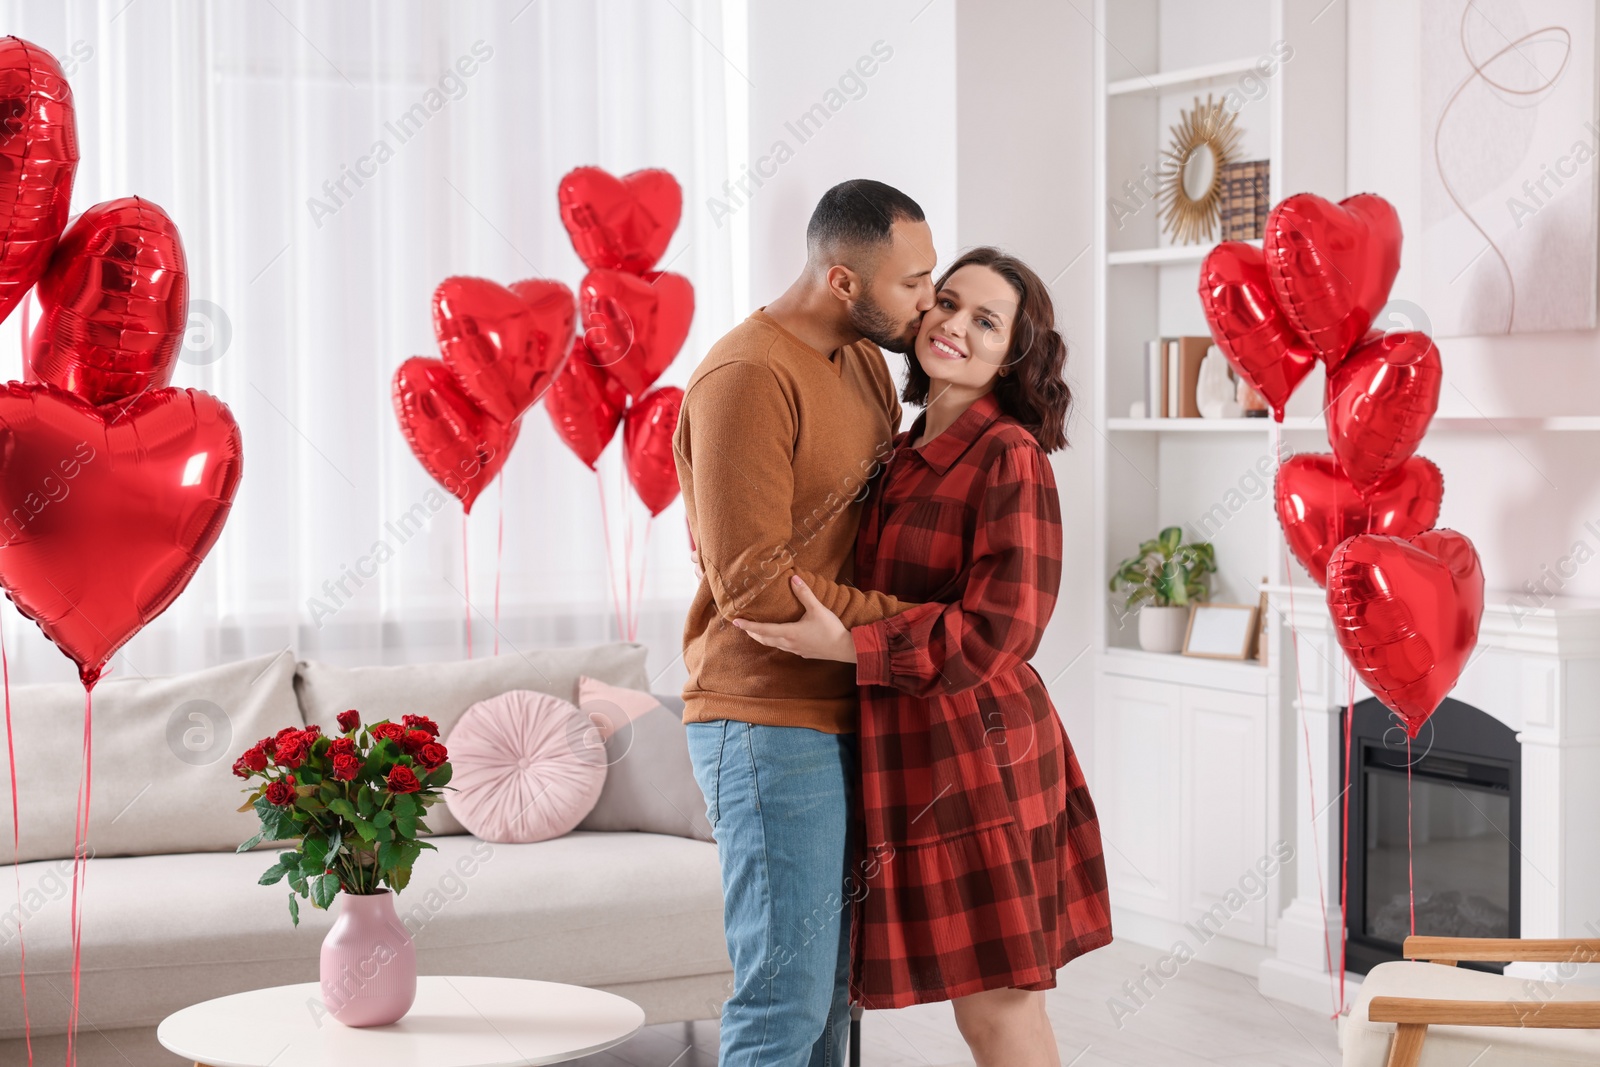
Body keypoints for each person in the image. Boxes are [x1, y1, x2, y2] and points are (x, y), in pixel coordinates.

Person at [735, 246, 1113, 1067]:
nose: (955, 327)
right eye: (946, 303)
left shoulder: (1007, 453)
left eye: (986, 320)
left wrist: (853, 643)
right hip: (915, 757)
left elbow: (1004, 628)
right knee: (983, 1012)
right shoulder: (902, 447)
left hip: (983, 760)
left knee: (1000, 1017)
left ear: (1014, 354)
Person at [672, 178, 934, 1066]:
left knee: (830, 1001)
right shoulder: (746, 375)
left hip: (843, 705)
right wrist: (905, 622)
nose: (927, 301)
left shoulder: (863, 365)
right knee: (783, 1001)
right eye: (913, 284)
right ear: (844, 282)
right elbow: (751, 583)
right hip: (762, 715)